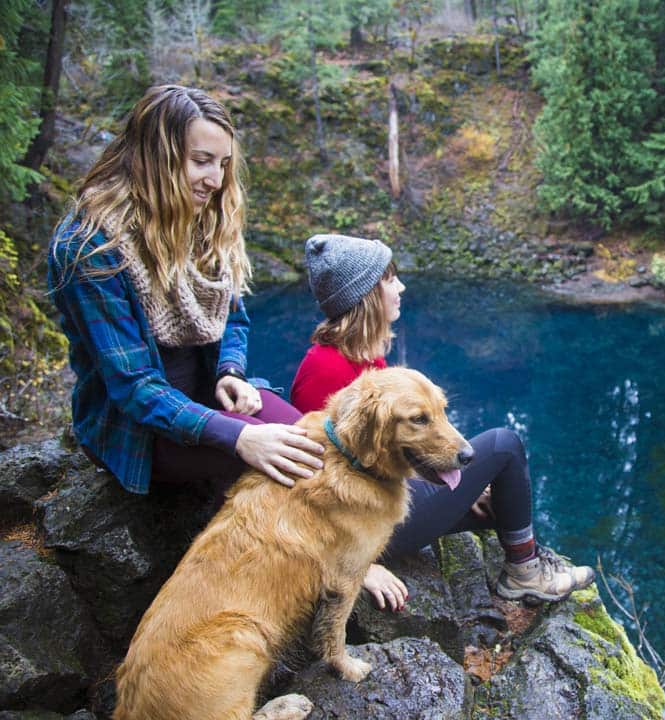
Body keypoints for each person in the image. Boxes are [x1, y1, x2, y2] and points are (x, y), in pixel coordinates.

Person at [48, 85, 324, 498]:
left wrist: (229, 372)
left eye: (223, 164)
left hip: (211, 399)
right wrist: (239, 438)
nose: (215, 180)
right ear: (156, 156)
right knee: (304, 472)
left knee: (315, 445)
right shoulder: (90, 247)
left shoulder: (200, 219)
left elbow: (232, 316)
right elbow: (136, 389)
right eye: (202, 161)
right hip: (140, 432)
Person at [291, 234, 595, 607]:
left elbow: (385, 455)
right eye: (389, 280)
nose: (400, 287)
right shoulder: (325, 368)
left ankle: (526, 558)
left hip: (386, 503)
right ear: (366, 295)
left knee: (499, 502)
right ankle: (524, 574)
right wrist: (356, 565)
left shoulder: (369, 358)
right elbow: (308, 483)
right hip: (362, 526)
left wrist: (458, 483)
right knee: (504, 445)